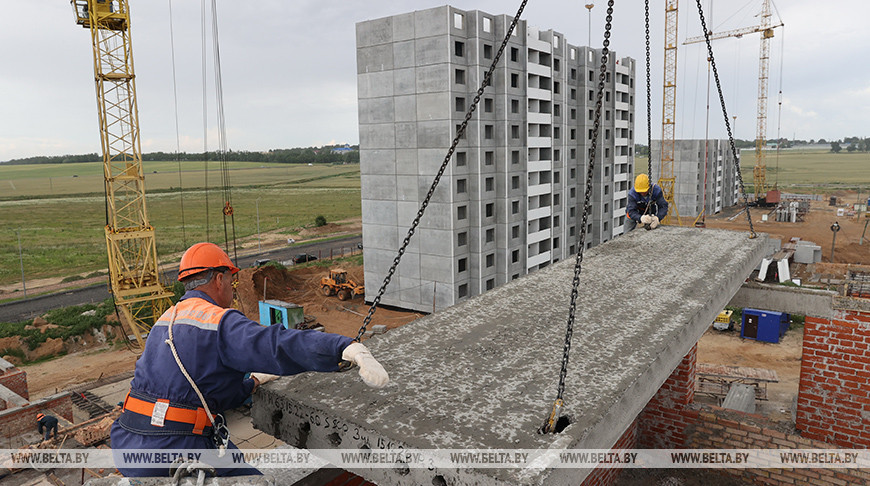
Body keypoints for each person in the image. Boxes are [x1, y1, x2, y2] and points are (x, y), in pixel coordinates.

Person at [110, 242, 388, 477]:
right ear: (219, 279)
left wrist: (252, 383)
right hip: (175, 448)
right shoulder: (217, 321)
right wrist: (345, 348)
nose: (232, 289)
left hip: (129, 442)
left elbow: (200, 390)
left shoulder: (164, 320)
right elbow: (276, 345)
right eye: (231, 280)